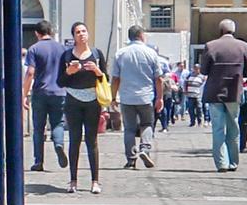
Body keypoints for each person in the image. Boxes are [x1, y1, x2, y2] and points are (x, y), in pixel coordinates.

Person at [57, 22, 107, 194]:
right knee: (74, 139)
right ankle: (73, 180)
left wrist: (97, 71)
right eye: (78, 32)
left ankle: (95, 181)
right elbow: (60, 82)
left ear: (88, 34)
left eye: (84, 31)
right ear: (73, 36)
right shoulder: (66, 56)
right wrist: (69, 72)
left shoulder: (96, 53)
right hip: (73, 100)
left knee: (91, 141)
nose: (81, 34)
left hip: (93, 101)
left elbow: (104, 78)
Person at [200, 19, 247, 171]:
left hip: (214, 92)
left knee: (218, 128)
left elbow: (204, 70)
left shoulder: (210, 46)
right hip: (234, 91)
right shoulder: (244, 46)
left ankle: (221, 163)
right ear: (233, 31)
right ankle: (233, 162)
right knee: (233, 127)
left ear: (220, 30)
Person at [112, 27, 169, 169]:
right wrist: (159, 98)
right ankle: (144, 149)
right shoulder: (151, 53)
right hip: (145, 97)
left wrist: (113, 97)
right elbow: (159, 79)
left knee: (129, 129)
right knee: (147, 124)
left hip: (126, 98)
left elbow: (115, 78)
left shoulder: (120, 53)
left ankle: (131, 159)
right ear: (142, 36)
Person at [23, 22, 67, 172]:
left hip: (40, 92)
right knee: (58, 123)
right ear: (51, 32)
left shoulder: (34, 49)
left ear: (37, 33)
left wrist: (24, 94)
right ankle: (59, 144)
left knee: (38, 128)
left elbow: (30, 72)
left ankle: (38, 161)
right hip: (60, 91)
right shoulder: (62, 48)